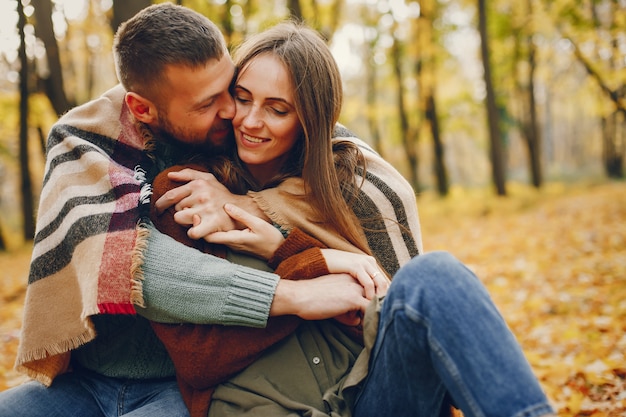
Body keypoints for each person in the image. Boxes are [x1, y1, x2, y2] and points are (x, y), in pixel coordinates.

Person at [0, 4, 420, 416]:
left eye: (229, 90)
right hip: (88, 380)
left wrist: (286, 237)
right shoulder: (94, 144)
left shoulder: (252, 141)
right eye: (209, 104)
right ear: (143, 108)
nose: (233, 114)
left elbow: (321, 135)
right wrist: (294, 293)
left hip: (184, 391)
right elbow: (124, 266)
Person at [149, 22, 556, 417]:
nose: (251, 121)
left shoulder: (346, 189)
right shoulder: (189, 191)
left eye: (277, 109)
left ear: (309, 122)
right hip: (266, 407)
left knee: (435, 275)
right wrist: (304, 298)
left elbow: (374, 315)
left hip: (369, 394)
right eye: (242, 97)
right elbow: (197, 358)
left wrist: (283, 248)